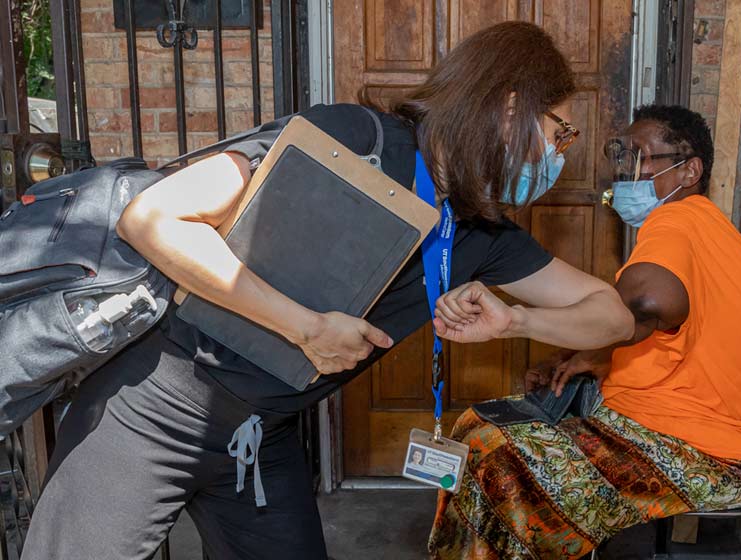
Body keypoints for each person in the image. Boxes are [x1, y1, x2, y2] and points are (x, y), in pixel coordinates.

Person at [23, 23, 634, 560]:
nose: (559, 151)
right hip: (153, 407)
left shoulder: (482, 232)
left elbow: (612, 317)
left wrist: (514, 323)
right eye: (561, 130)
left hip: (260, 436)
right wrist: (304, 327)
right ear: (509, 107)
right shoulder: (352, 139)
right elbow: (154, 218)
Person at [428, 105, 741, 560]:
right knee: (476, 427)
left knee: (495, 459)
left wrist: (537, 323)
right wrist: (601, 358)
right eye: (622, 156)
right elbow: (685, 332)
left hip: (717, 454)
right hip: (682, 424)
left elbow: (649, 304)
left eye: (641, 159)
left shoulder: (677, 220)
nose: (627, 172)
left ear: (690, 170)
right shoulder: (703, 226)